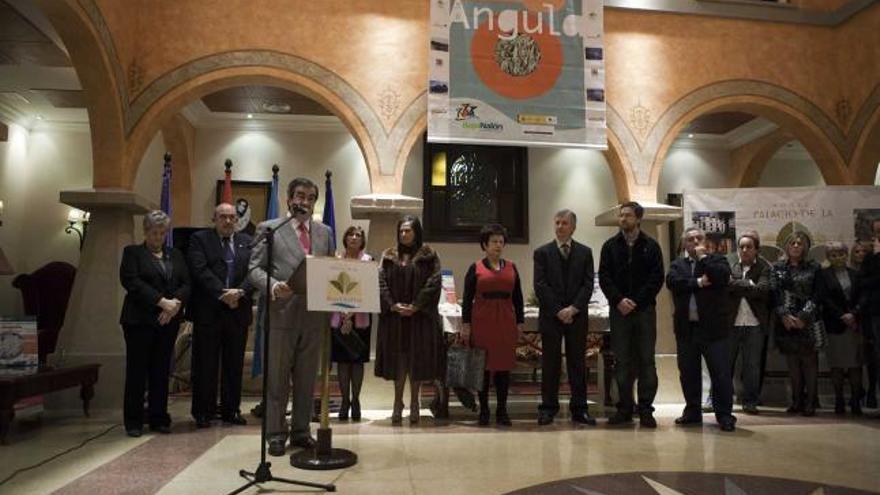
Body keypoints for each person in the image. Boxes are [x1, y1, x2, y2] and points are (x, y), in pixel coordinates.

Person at [248, 177, 334, 457]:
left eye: (310, 197)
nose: (304, 202)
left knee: (307, 378)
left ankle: (300, 431)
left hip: (314, 317)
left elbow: (329, 270)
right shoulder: (270, 228)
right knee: (277, 379)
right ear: (288, 199)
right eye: (299, 196)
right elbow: (254, 270)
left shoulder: (325, 232)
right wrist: (273, 285)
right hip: (280, 315)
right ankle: (275, 433)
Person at [119, 210, 190, 437]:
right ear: (145, 231)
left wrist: (175, 304)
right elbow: (131, 281)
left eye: (162, 233)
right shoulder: (133, 253)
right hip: (139, 321)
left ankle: (159, 417)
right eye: (154, 232)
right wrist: (161, 303)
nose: (158, 237)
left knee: (161, 371)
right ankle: (134, 421)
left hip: (167, 322)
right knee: (137, 371)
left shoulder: (175, 255)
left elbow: (186, 283)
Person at [187, 203, 253, 428]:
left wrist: (240, 291)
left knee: (233, 364)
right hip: (209, 311)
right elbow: (199, 269)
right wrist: (222, 293)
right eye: (223, 217)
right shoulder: (200, 239)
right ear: (214, 219)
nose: (228, 221)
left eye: (232, 217)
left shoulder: (247, 241)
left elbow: (254, 271)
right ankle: (203, 412)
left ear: (237, 220)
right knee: (205, 364)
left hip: (238, 311)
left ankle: (231, 410)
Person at [598, 201, 664, 428]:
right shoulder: (610, 246)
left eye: (627, 215)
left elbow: (656, 278)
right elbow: (604, 277)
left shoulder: (651, 246)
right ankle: (624, 408)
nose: (622, 219)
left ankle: (646, 409)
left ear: (638, 219)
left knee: (647, 361)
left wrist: (636, 301)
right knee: (622, 362)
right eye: (621, 216)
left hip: (644, 311)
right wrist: (618, 300)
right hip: (619, 312)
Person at [375, 216, 445, 425]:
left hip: (420, 319)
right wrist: (392, 305)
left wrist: (416, 305)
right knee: (399, 361)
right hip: (395, 319)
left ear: (417, 232)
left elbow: (434, 282)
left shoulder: (429, 255)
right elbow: (380, 283)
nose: (404, 234)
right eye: (401, 231)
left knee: (417, 361)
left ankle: (415, 402)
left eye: (408, 231)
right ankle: (398, 402)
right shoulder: (388, 256)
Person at [666, 227, 736, 432]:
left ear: (705, 241)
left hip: (714, 330)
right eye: (690, 239)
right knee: (688, 373)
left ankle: (724, 415)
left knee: (721, 374)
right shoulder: (677, 265)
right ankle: (692, 411)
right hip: (687, 329)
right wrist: (697, 282)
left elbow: (721, 278)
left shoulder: (717, 261)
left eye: (699, 238)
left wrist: (703, 257)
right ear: (684, 244)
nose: (695, 241)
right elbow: (673, 283)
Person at [534, 209, 596, 426]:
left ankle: (580, 408)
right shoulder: (542, 253)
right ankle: (548, 408)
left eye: (565, 223)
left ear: (573, 227)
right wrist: (559, 310)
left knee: (577, 363)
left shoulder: (585, 252)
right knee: (550, 362)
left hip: (577, 316)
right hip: (552, 317)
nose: (560, 226)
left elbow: (588, 285)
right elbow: (540, 285)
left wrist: (573, 309)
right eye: (557, 222)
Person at [461, 224, 525, 426]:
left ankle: (502, 410)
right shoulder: (475, 267)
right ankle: (484, 410)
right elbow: (467, 297)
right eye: (494, 242)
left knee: (504, 367)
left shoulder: (512, 267)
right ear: (485, 245)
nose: (498, 245)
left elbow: (518, 297)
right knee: (483, 367)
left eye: (501, 241)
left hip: (506, 320)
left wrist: (520, 322)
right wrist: (466, 324)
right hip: (482, 320)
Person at [770, 231, 822, 417]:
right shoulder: (777, 267)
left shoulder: (814, 267)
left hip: (808, 320)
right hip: (786, 322)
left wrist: (803, 316)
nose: (796, 246)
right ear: (786, 246)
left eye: (799, 243)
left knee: (809, 363)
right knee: (792, 364)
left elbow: (817, 294)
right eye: (792, 243)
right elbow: (774, 293)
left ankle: (811, 402)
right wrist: (784, 316)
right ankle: (796, 401)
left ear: (805, 247)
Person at [330, 226, 372, 421]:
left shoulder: (368, 261)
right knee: (343, 362)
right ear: (345, 238)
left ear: (362, 240)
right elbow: (331, 290)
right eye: (351, 234)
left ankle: (356, 400)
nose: (354, 238)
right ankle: (344, 400)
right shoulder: (336, 260)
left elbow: (369, 292)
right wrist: (344, 315)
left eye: (358, 235)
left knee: (357, 361)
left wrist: (351, 316)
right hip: (338, 319)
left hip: (361, 319)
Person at [728, 231, 771, 415]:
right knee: (725, 364)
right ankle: (721, 399)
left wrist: (739, 285)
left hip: (755, 324)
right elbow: (726, 286)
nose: (744, 250)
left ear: (756, 250)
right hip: (731, 324)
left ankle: (750, 401)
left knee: (752, 366)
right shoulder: (731, 265)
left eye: (749, 247)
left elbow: (763, 290)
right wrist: (749, 285)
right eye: (741, 247)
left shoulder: (764, 267)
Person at [819, 242, 863, 415]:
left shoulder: (856, 274)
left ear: (846, 255)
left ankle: (855, 401)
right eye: (833, 255)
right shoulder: (823, 275)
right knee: (836, 366)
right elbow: (824, 299)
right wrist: (842, 315)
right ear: (828, 258)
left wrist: (854, 314)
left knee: (855, 366)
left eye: (841, 254)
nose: (838, 258)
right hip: (835, 325)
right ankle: (839, 400)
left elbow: (863, 297)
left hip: (855, 325)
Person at [852, 239, 877, 408]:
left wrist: (858, 309)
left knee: (872, 358)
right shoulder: (849, 271)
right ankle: (858, 391)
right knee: (856, 358)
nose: (861, 254)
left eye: (865, 252)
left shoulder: (871, 270)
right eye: (857, 251)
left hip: (868, 317)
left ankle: (872, 392)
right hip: (852, 319)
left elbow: (867, 292)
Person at [861, 219, 880, 414]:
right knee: (876, 356)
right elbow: (863, 283)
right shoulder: (871, 259)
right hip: (876, 313)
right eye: (877, 232)